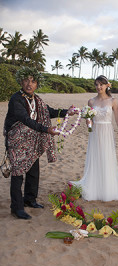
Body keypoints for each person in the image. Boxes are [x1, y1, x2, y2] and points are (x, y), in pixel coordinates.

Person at [4, 67, 75, 219]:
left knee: (33, 171)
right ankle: (16, 208)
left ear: (37, 84)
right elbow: (26, 120)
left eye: (33, 81)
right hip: (17, 140)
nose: (29, 84)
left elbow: (49, 111)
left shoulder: (37, 100)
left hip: (32, 140)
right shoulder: (16, 99)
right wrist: (46, 129)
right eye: (26, 80)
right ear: (21, 81)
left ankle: (30, 200)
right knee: (17, 173)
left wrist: (66, 112)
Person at [71, 75, 118, 202]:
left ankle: (106, 189)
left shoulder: (113, 101)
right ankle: (94, 187)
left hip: (107, 132)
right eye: (97, 84)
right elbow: (90, 122)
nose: (99, 87)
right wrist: (88, 120)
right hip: (95, 133)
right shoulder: (91, 101)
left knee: (106, 157)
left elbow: (117, 119)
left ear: (107, 86)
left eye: (101, 84)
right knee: (95, 158)